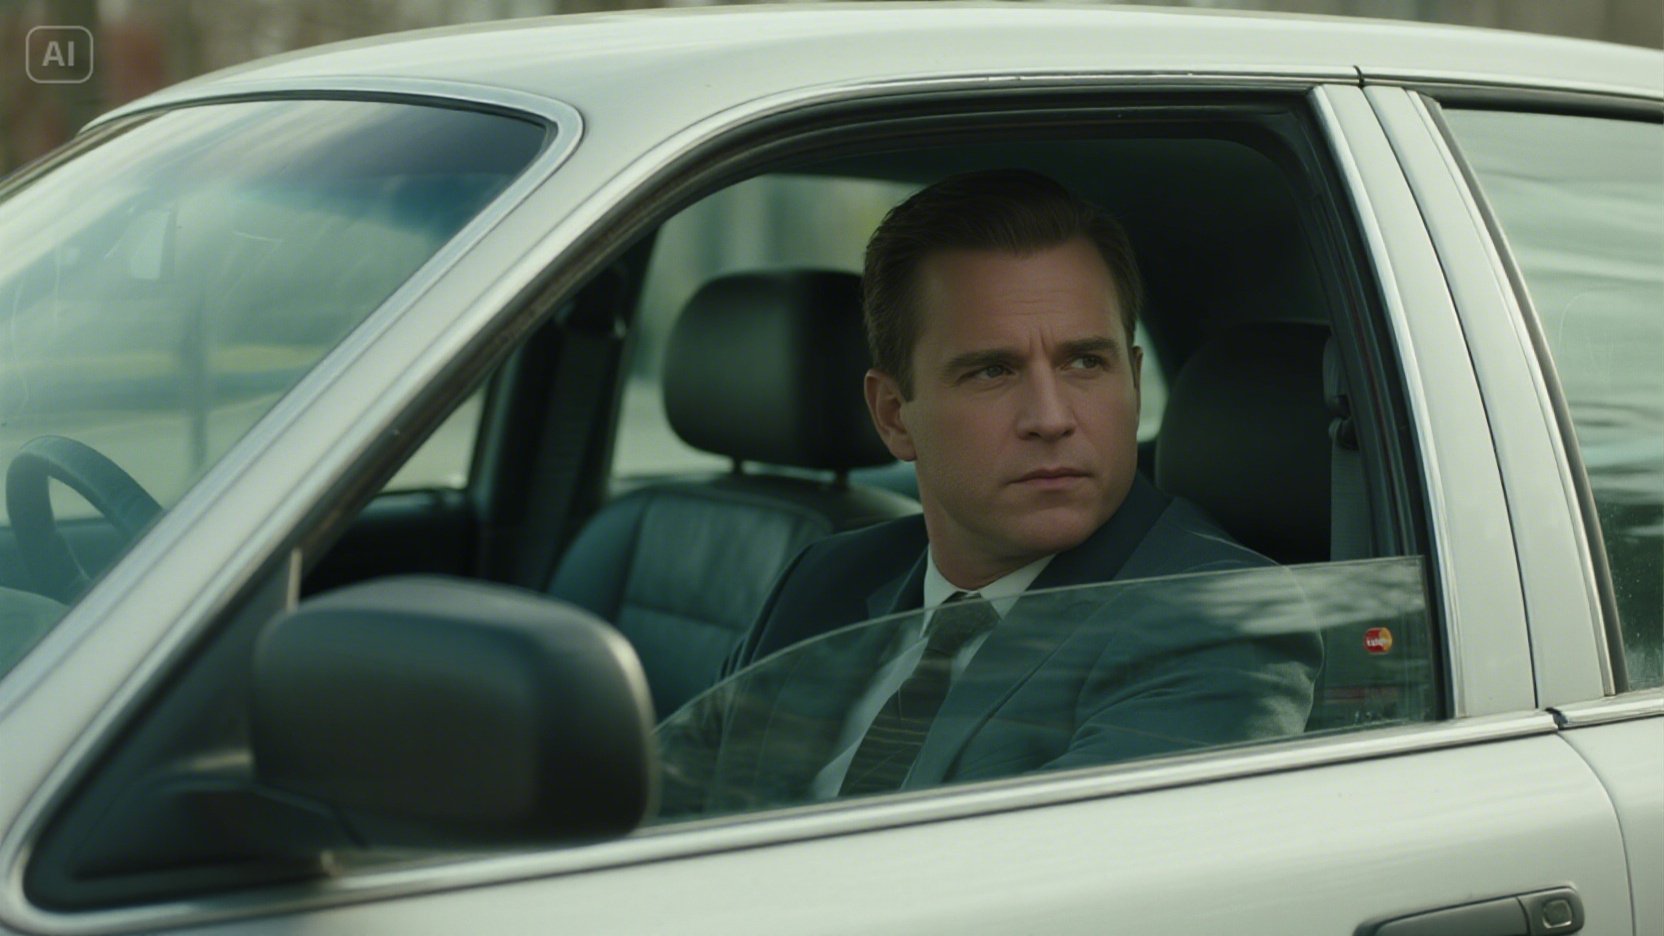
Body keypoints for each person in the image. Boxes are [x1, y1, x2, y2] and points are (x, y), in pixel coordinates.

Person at [655, 169, 1319, 818]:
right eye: (993, 371)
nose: (1051, 418)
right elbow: (658, 809)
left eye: (1085, 362)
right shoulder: (824, 579)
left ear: (1135, 383)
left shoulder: (1220, 623)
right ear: (893, 414)